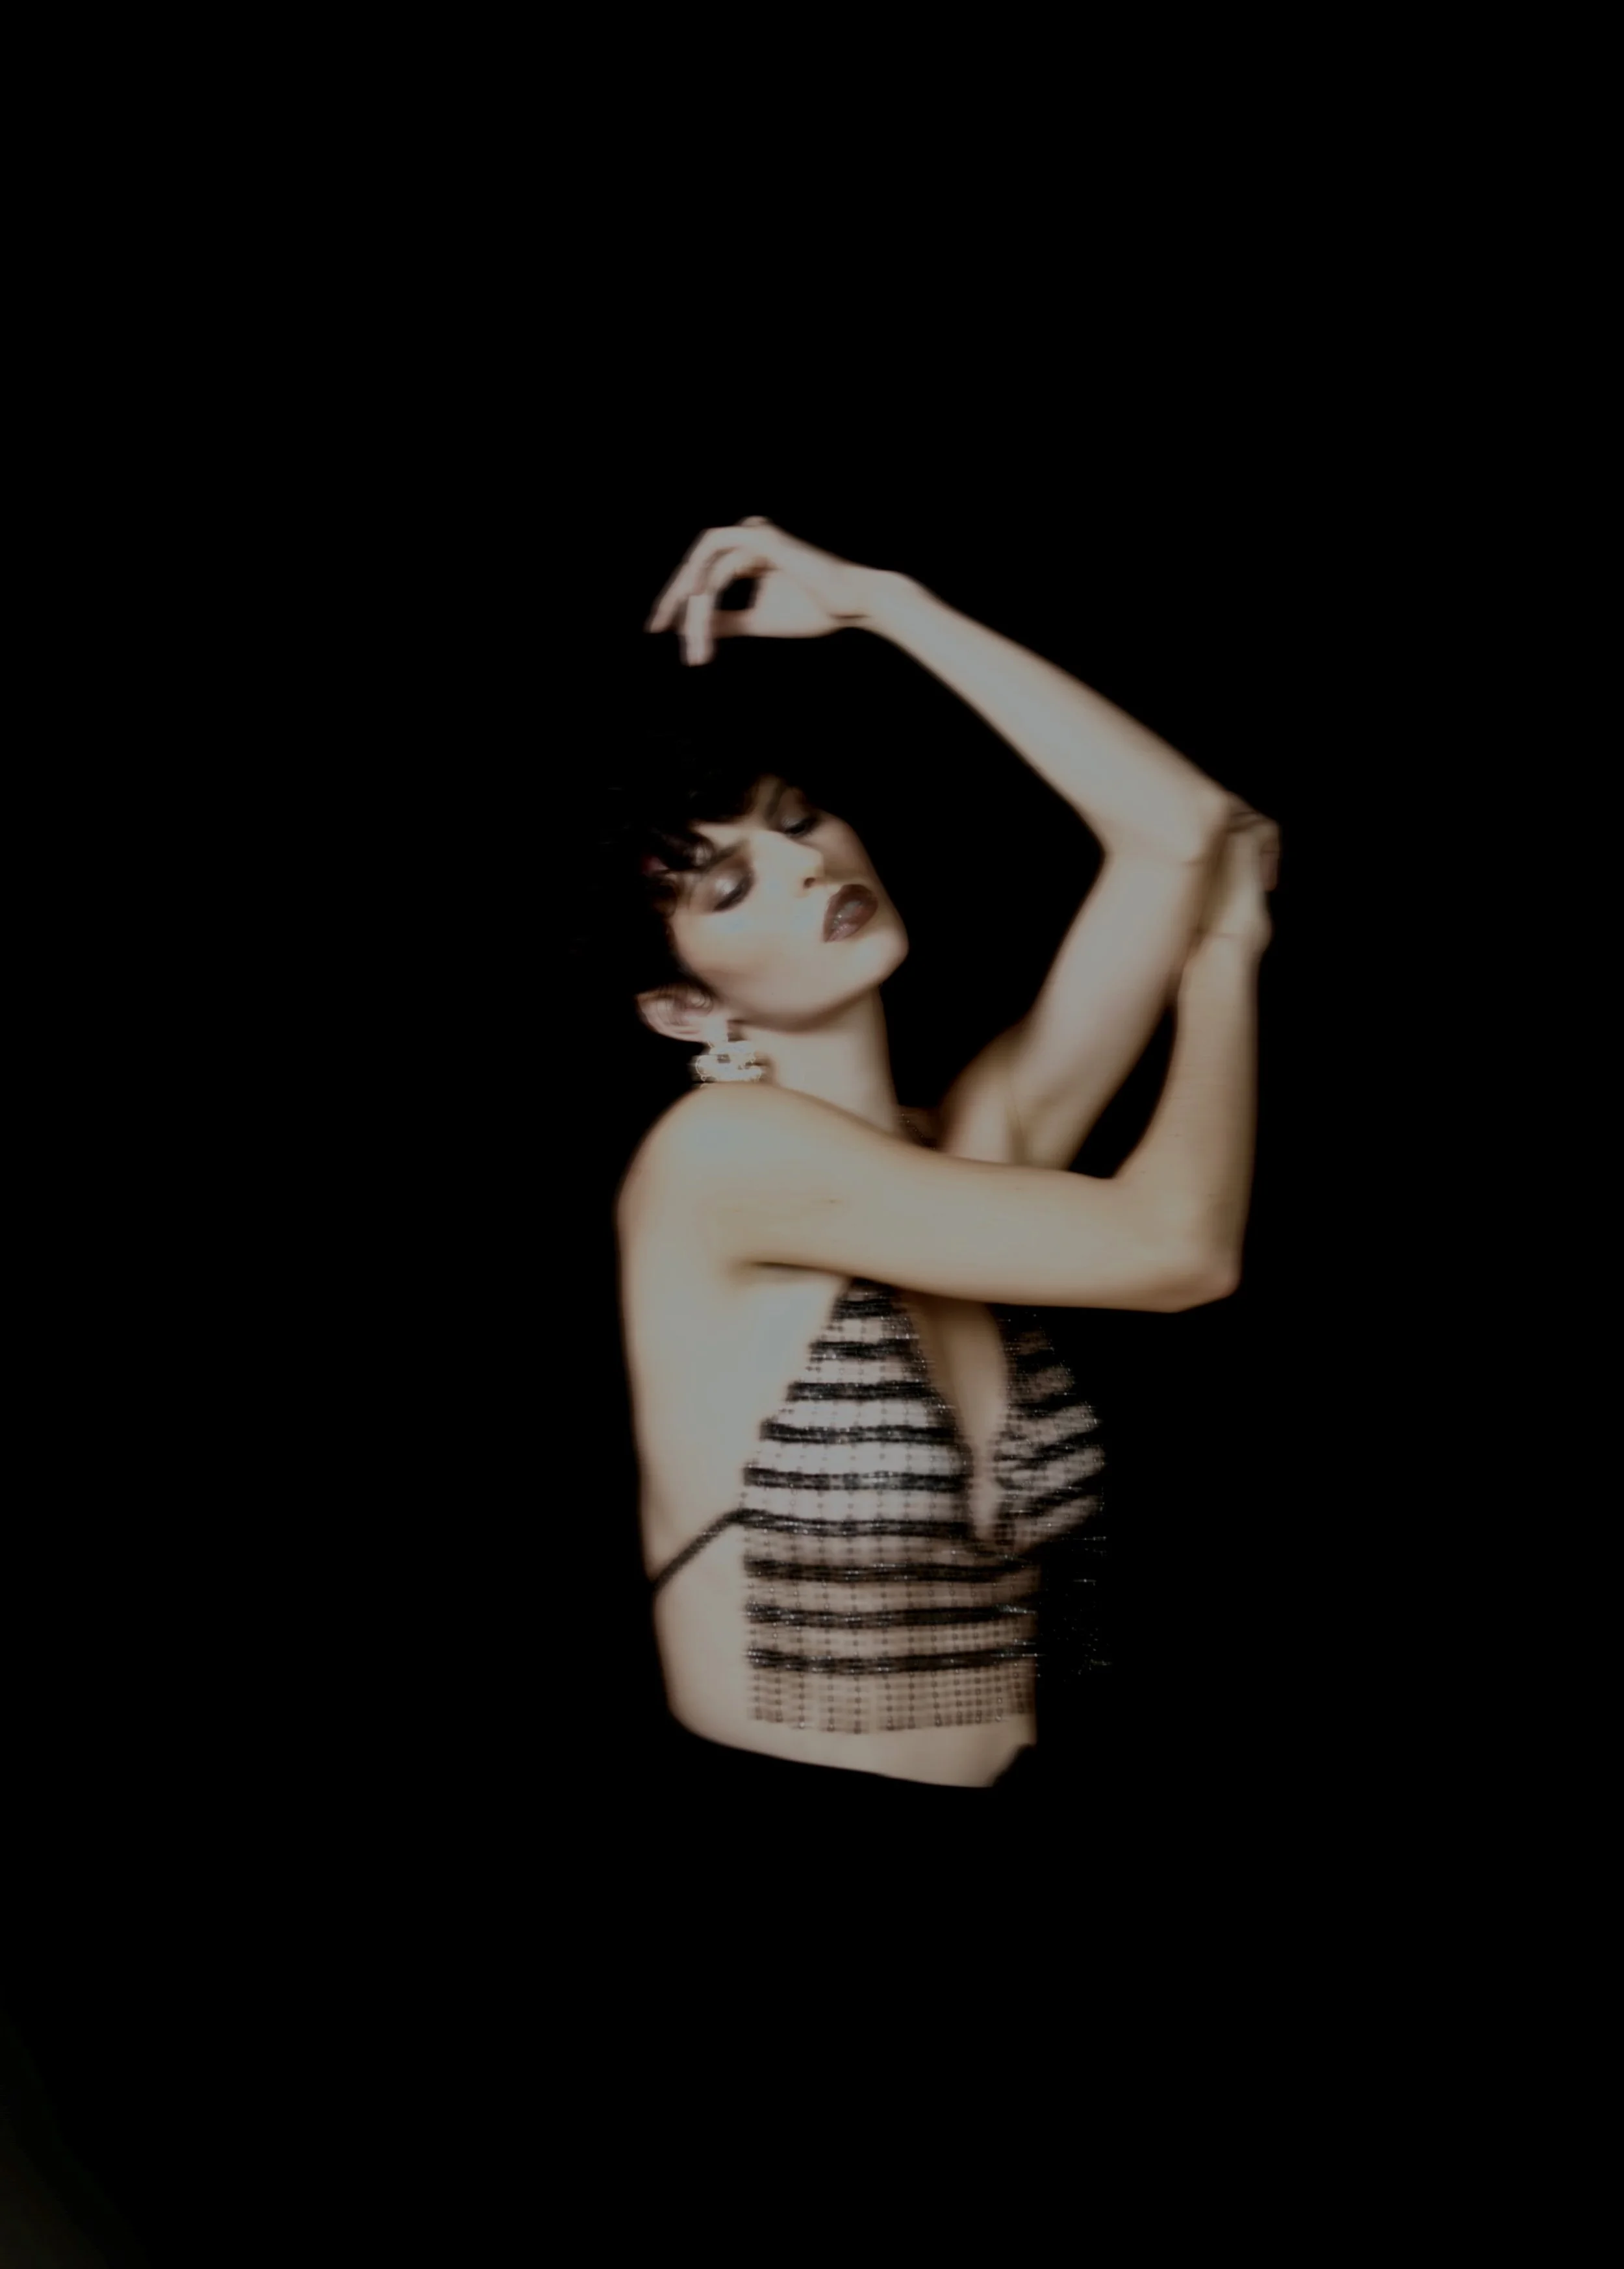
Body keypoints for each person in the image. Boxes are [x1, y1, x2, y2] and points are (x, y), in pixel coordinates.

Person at [604, 516, 1278, 1838]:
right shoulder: (718, 1158)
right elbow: (1180, 1250)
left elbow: (1189, 834)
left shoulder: (967, 1155)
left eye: (798, 820)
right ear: (686, 1010)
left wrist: (884, 604)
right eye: (732, 886)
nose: (807, 865)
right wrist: (1218, 966)